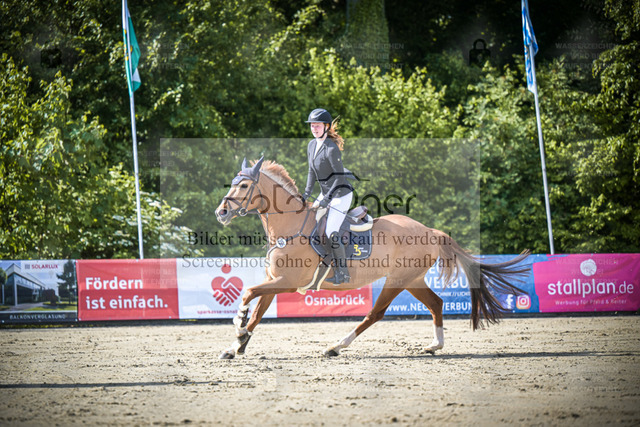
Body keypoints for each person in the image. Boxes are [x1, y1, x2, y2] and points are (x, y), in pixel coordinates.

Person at [301, 108, 354, 284]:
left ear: (326, 126)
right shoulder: (311, 145)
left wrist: (327, 199)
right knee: (309, 221)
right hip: (326, 193)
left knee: (331, 230)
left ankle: (343, 273)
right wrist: (306, 194)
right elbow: (311, 171)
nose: (314, 129)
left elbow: (339, 178)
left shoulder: (331, 149)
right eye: (312, 126)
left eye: (317, 125)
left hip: (341, 194)